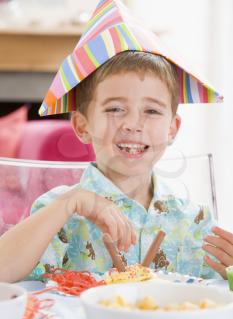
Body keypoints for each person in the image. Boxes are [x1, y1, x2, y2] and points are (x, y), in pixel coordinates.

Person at [0, 0, 232, 283]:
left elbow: (213, 301)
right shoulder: (58, 209)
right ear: (82, 126)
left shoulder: (194, 220)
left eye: (151, 111)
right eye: (115, 109)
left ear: (172, 129)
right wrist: (70, 202)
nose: (133, 124)